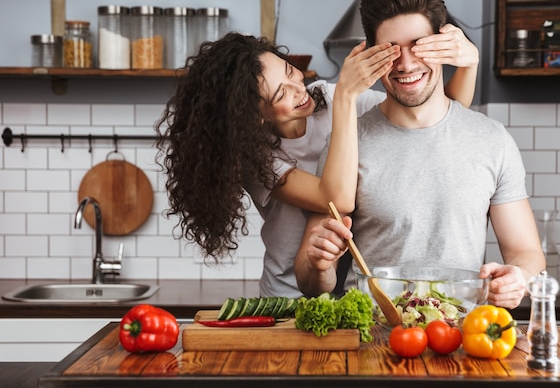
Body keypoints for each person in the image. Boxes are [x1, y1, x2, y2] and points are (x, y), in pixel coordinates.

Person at [156, 23, 479, 298]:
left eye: (290, 73)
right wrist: (346, 100)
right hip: (288, 294)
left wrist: (469, 63)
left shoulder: (327, 96)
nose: (299, 90)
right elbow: (334, 198)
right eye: (281, 95)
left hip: (344, 286)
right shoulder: (259, 161)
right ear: (254, 116)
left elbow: (436, 115)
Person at [294, 0, 545, 309]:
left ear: (444, 45)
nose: (407, 63)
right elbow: (311, 282)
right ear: (371, 55)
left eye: (418, 45)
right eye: (391, 50)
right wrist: (318, 264)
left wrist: (518, 276)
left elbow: (526, 253)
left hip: (461, 342)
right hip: (375, 341)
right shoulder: (346, 144)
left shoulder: (492, 140)